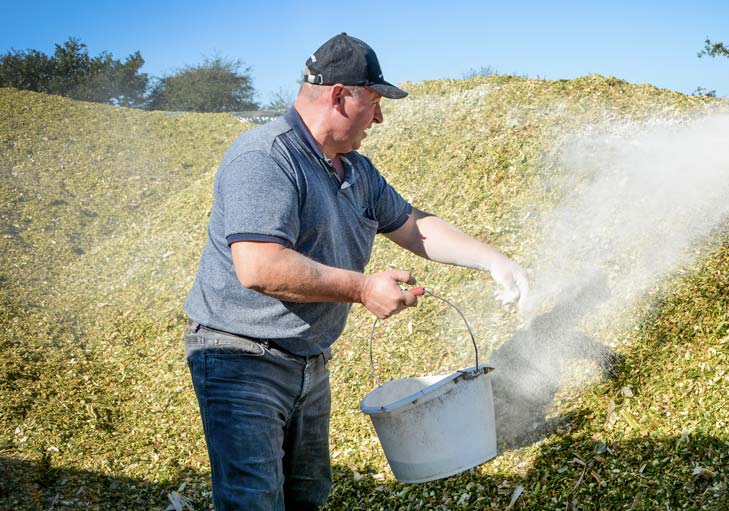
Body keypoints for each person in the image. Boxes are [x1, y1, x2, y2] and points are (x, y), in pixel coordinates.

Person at [182, 33, 528, 510]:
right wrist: (363, 288)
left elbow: (413, 226)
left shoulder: (356, 171)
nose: (380, 117)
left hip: (307, 359)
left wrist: (494, 260)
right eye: (374, 101)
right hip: (241, 358)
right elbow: (260, 266)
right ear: (339, 96)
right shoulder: (266, 158)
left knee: (305, 495)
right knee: (253, 499)